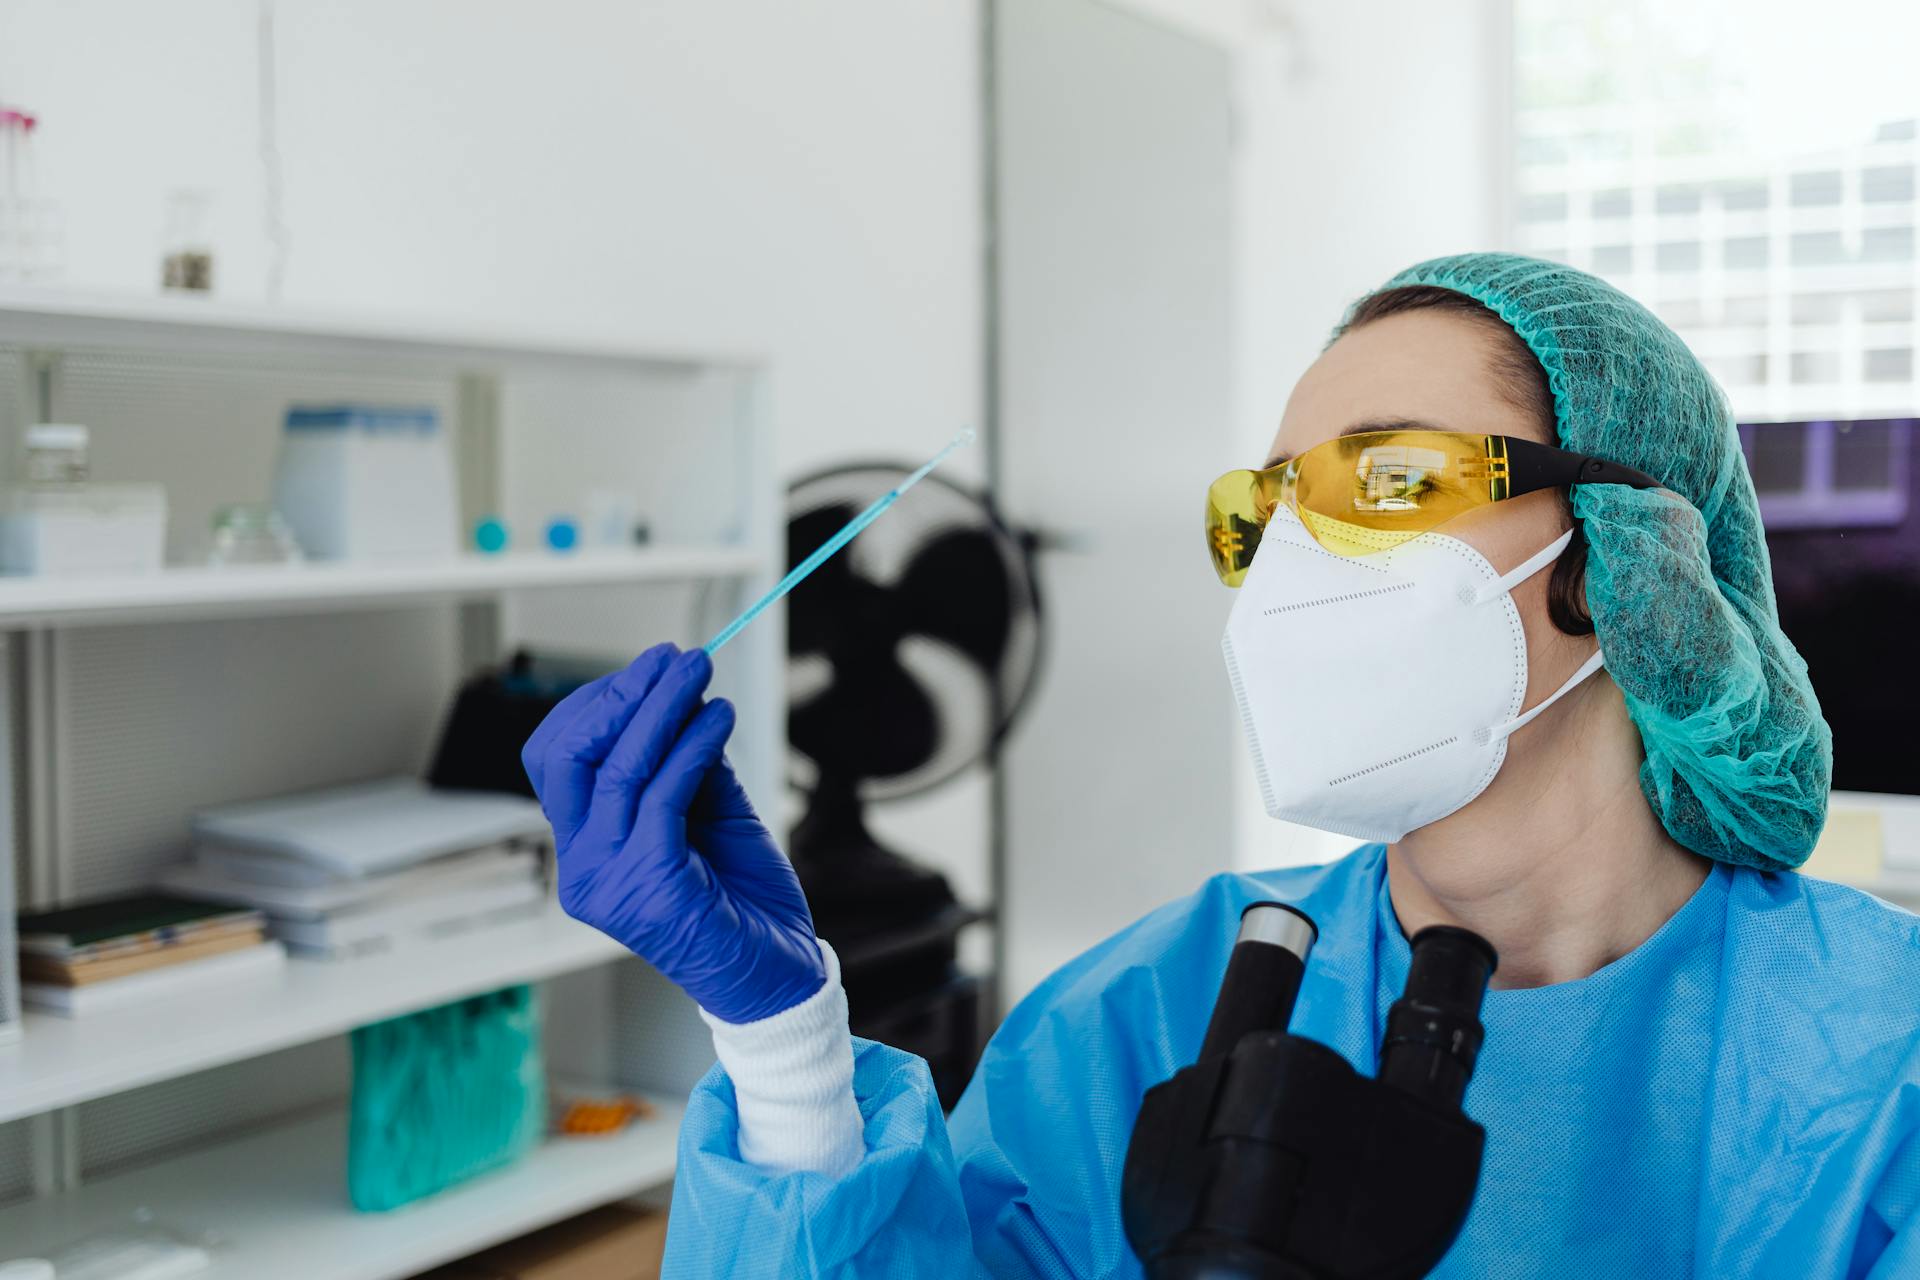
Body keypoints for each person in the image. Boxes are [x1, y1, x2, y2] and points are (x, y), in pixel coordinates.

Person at [523, 254, 1920, 1277]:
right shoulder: (1157, 1006)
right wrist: (785, 1058)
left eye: (1387, 481)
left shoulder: (1879, 1062)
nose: (1296, 559)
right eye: (1268, 508)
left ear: (1632, 555)